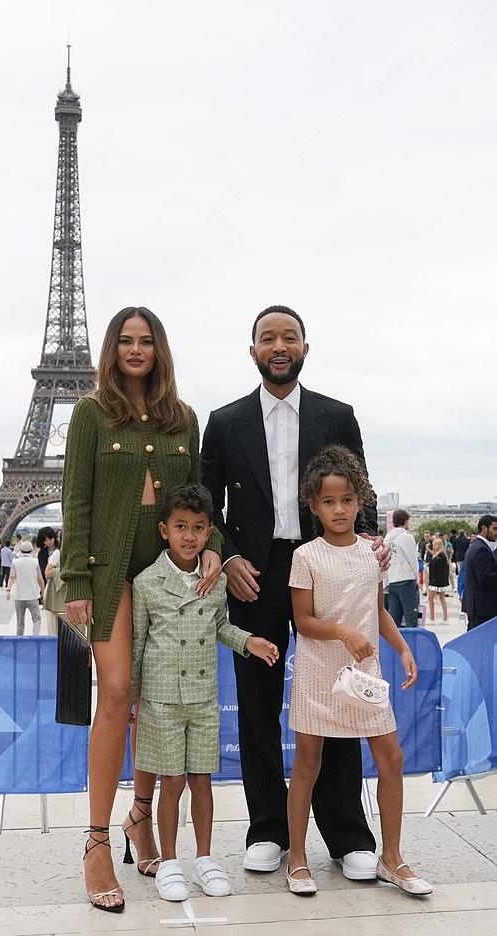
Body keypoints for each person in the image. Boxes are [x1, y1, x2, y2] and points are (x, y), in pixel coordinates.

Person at [201, 304, 387, 881]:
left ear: (305, 348)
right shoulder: (224, 420)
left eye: (290, 337)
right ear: (252, 350)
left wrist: (372, 542)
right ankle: (267, 829)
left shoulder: (338, 414)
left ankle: (347, 834)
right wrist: (228, 556)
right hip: (253, 575)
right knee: (257, 705)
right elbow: (208, 506)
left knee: (338, 700)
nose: (279, 345)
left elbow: (362, 491)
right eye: (267, 338)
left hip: (325, 569)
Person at [60, 306, 222, 913]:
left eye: (145, 340)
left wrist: (215, 552)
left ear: (159, 349)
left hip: (168, 578)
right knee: (119, 693)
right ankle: (97, 842)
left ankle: (141, 817)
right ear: (111, 348)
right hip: (106, 577)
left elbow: (198, 499)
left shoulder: (184, 419)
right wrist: (75, 578)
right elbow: (75, 498)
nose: (135, 349)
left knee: (157, 700)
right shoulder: (89, 414)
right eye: (125, 341)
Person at [286, 445, 431, 896]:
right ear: (313, 506)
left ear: (360, 502)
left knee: (392, 759)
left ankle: (392, 858)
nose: (339, 509)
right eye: (329, 501)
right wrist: (345, 634)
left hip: (364, 674)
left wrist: (403, 647)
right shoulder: (306, 556)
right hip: (318, 674)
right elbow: (303, 622)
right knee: (307, 766)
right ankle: (295, 860)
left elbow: (378, 609)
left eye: (347, 500)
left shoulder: (373, 553)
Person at [132, 484, 278, 902]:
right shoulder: (147, 583)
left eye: (198, 528)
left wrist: (249, 641)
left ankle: (205, 857)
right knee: (171, 783)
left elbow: (219, 628)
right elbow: (138, 644)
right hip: (161, 700)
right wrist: (132, 697)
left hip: (202, 698)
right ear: (164, 530)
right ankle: (169, 861)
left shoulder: (213, 582)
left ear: (208, 530)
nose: (189, 536)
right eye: (181, 527)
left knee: (202, 781)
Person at [384, 510, 419, 627]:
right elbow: (412, 559)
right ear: (406, 521)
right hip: (406, 579)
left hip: (392, 580)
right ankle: (411, 643)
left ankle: (393, 645)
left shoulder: (387, 538)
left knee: (394, 617)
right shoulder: (406, 537)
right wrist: (416, 577)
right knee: (410, 616)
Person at [461, 515, 497, 630]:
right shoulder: (482, 549)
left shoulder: (476, 546)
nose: (496, 532)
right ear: (484, 528)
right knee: (483, 643)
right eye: (495, 529)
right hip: (483, 608)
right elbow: (485, 577)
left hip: (477, 606)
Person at [5, 540, 44, 634]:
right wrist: (43, 591)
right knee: (36, 619)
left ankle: (19, 641)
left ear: (21, 550)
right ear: (31, 550)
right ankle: (35, 639)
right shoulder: (35, 562)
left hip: (19, 596)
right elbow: (40, 579)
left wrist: (8, 590)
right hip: (32, 596)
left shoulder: (15, 562)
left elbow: (11, 577)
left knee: (20, 622)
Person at [427, 538, 449, 623]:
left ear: (439, 545)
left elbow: (439, 570)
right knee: (441, 598)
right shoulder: (441, 555)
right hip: (438, 581)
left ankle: (432, 618)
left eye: (435, 544)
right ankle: (444, 618)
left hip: (436, 581)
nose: (434, 546)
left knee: (431, 598)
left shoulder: (440, 556)